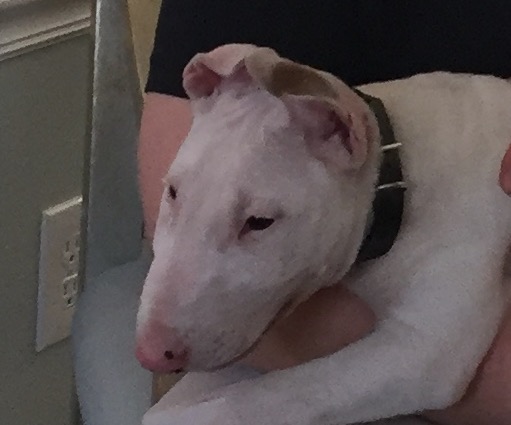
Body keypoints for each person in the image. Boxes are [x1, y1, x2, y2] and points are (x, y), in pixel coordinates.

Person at [138, 2, 511, 424]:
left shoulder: (470, 163)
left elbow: (434, 366)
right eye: (175, 194)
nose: (147, 350)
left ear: (343, 135)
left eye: (257, 222)